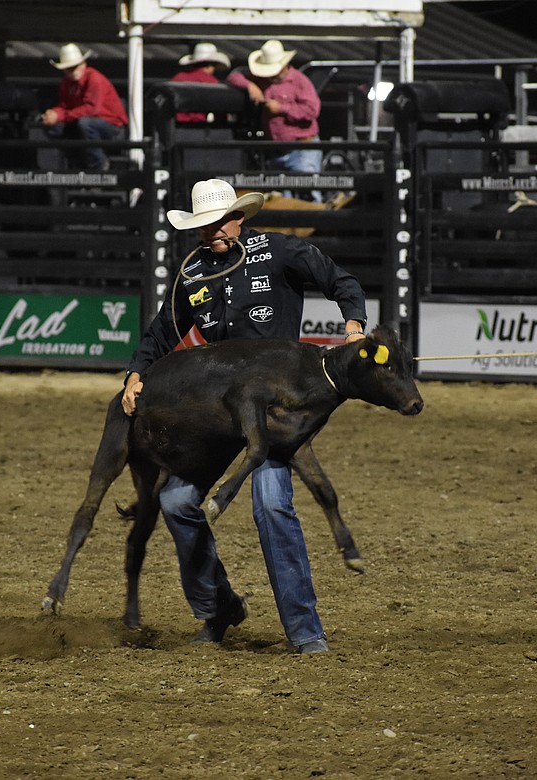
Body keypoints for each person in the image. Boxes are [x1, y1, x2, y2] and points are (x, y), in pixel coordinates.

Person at [121, 178, 367, 655]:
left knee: (271, 504)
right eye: (205, 227)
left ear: (239, 218)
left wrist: (353, 325)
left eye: (220, 223)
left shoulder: (278, 251)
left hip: (271, 414)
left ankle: (304, 630)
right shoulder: (192, 275)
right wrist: (135, 374)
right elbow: (160, 333)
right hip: (215, 415)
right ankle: (219, 609)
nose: (214, 233)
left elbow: (341, 281)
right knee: (175, 503)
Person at [227, 39, 324, 201]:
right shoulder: (262, 80)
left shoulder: (300, 81)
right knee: (282, 197)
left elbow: (312, 110)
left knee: (308, 192)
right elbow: (234, 77)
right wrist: (250, 86)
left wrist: (281, 108)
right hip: (277, 150)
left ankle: (315, 224)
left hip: (302, 148)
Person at [40, 43, 128, 172]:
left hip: (114, 129)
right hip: (85, 127)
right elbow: (64, 105)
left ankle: (98, 167)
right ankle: (77, 164)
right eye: (69, 68)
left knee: (86, 123)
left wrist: (59, 115)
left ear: (83, 64)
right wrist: (53, 114)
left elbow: (91, 109)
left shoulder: (94, 79)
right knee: (53, 128)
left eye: (75, 67)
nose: (73, 71)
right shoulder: (67, 83)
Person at [171, 42, 231, 124]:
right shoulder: (213, 83)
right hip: (198, 128)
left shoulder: (178, 77)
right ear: (209, 66)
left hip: (174, 127)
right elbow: (220, 111)